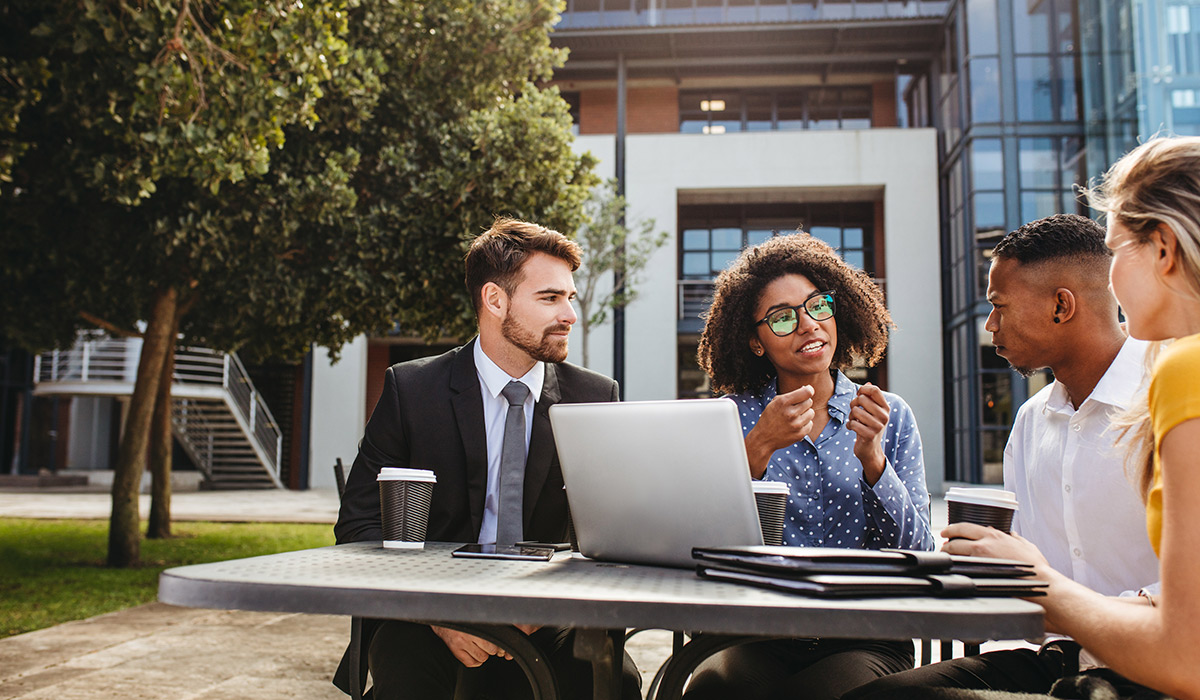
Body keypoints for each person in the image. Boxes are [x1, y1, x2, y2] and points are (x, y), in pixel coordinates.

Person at [843, 214, 1160, 698]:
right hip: (1052, 659)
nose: (990, 324)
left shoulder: (1163, 405)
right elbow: (1021, 575)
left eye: (999, 306)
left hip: (1150, 667)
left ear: (1061, 305)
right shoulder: (1033, 420)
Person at [332, 218, 641, 700]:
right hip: (430, 613)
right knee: (408, 674)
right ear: (495, 300)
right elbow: (359, 525)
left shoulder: (595, 397)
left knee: (615, 680)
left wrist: (554, 602)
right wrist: (441, 616)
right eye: (549, 298)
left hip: (550, 614)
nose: (570, 315)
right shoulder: (412, 391)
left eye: (570, 298)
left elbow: (617, 535)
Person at [686, 232, 935, 700]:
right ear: (756, 342)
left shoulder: (888, 415)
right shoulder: (729, 417)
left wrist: (874, 463)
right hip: (753, 631)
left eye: (817, 306)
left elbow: (919, 551)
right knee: (711, 688)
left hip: (864, 633)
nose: (807, 325)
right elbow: (696, 541)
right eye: (782, 318)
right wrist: (757, 446)